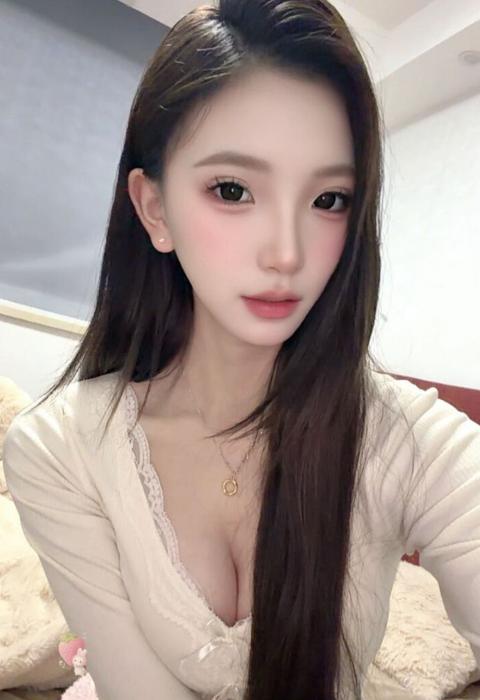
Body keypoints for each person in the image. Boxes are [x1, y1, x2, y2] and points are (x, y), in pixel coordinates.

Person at [3, 0, 480, 699]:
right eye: (233, 190)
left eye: (330, 200)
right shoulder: (59, 448)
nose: (287, 253)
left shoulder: (408, 440)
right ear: (155, 209)